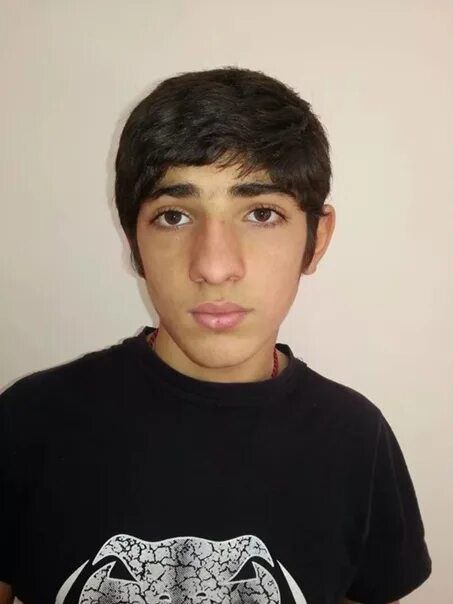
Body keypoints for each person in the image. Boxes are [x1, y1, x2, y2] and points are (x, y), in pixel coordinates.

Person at [0, 66, 431, 604]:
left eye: (261, 213)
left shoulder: (357, 440)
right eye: (174, 217)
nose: (214, 266)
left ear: (316, 239)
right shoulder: (27, 423)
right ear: (134, 243)